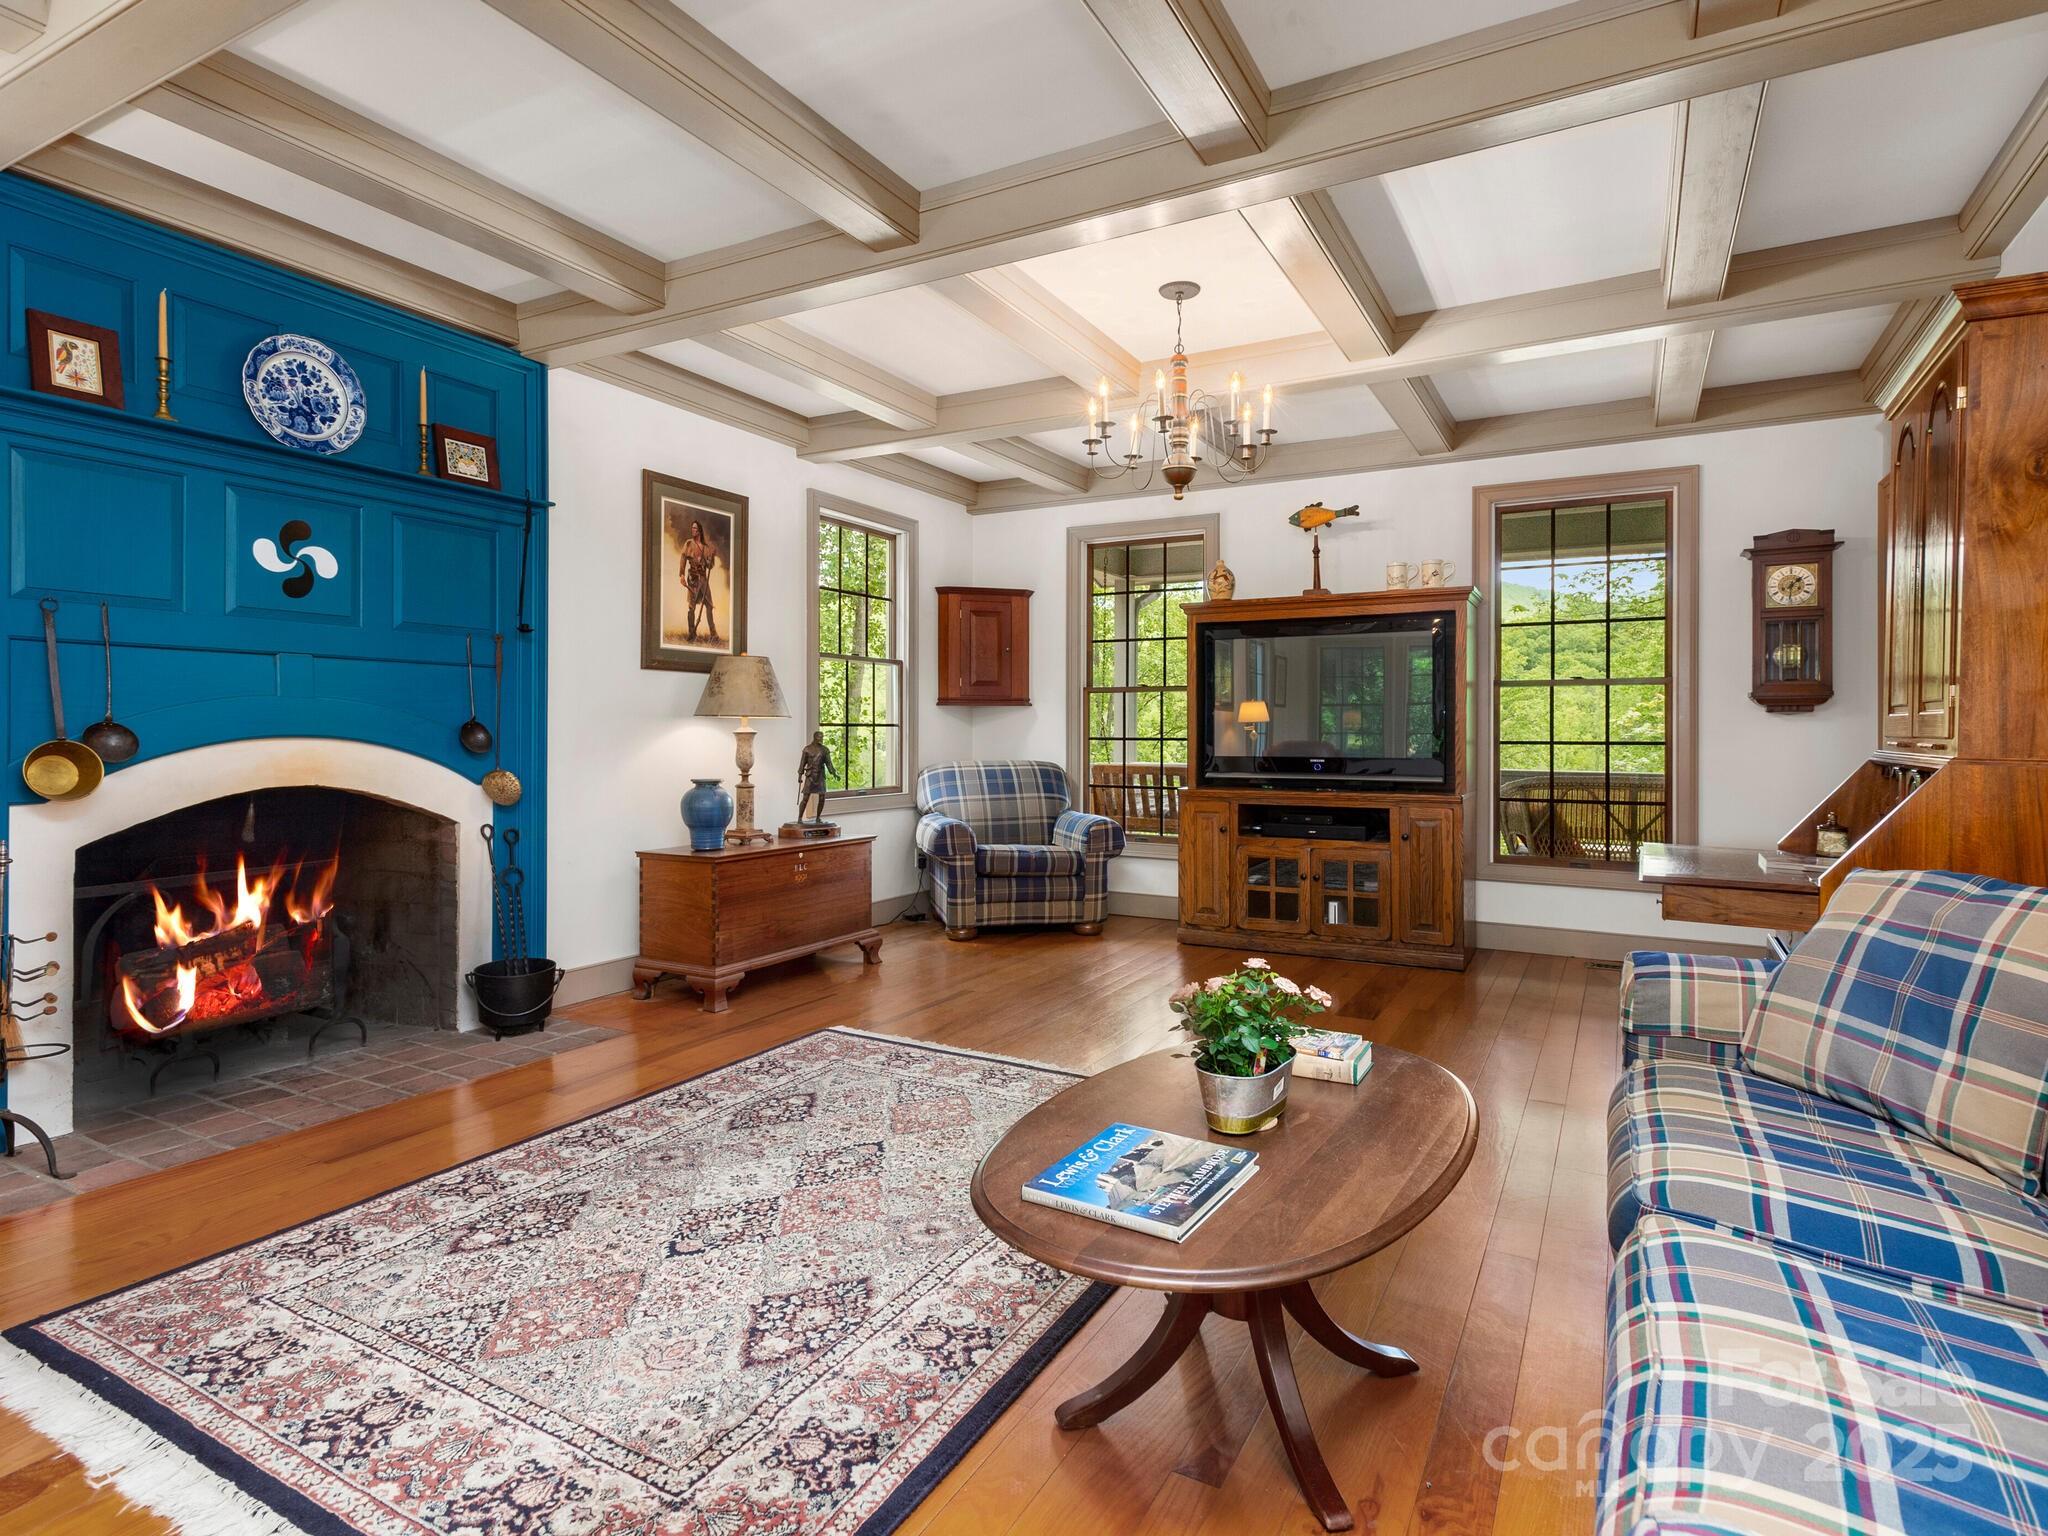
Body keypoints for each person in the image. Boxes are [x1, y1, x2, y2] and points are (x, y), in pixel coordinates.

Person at [678, 520, 719, 643]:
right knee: (691, 607)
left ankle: (713, 634)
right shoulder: (688, 543)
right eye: (692, 528)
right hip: (693, 579)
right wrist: (681, 575)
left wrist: (711, 558)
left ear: (699, 530)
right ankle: (692, 633)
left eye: (695, 528)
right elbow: (683, 558)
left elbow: (709, 566)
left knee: (709, 606)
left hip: (703, 580)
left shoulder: (706, 548)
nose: (693, 530)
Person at [797, 731, 833, 822]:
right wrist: (800, 775)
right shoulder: (807, 749)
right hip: (810, 776)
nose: (821, 739)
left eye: (822, 737)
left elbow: (829, 764)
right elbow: (802, 764)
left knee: (822, 797)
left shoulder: (825, 750)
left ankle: (818, 818)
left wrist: (833, 772)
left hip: (820, 776)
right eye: (819, 737)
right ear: (815, 737)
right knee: (805, 798)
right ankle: (800, 818)